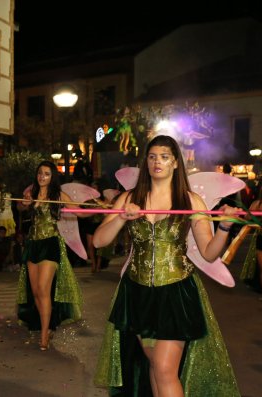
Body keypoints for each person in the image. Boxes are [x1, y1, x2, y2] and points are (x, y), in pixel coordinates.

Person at [92, 135, 240, 396]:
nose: (157, 162)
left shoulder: (191, 201)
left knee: (163, 368)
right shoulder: (128, 198)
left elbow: (208, 253)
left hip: (175, 293)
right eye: (152, 157)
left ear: (175, 163)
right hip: (137, 294)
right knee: (153, 364)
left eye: (164, 157)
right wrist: (120, 219)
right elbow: (99, 240)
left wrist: (225, 227)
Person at [16, 160, 84, 351]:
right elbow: (20, 207)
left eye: (46, 173)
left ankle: (45, 333)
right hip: (33, 244)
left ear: (52, 176)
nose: (42, 177)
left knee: (44, 290)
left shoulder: (59, 195)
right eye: (39, 173)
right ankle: (48, 324)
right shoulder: (32, 193)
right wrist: (24, 203)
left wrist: (100, 208)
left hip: (50, 243)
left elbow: (80, 212)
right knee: (36, 291)